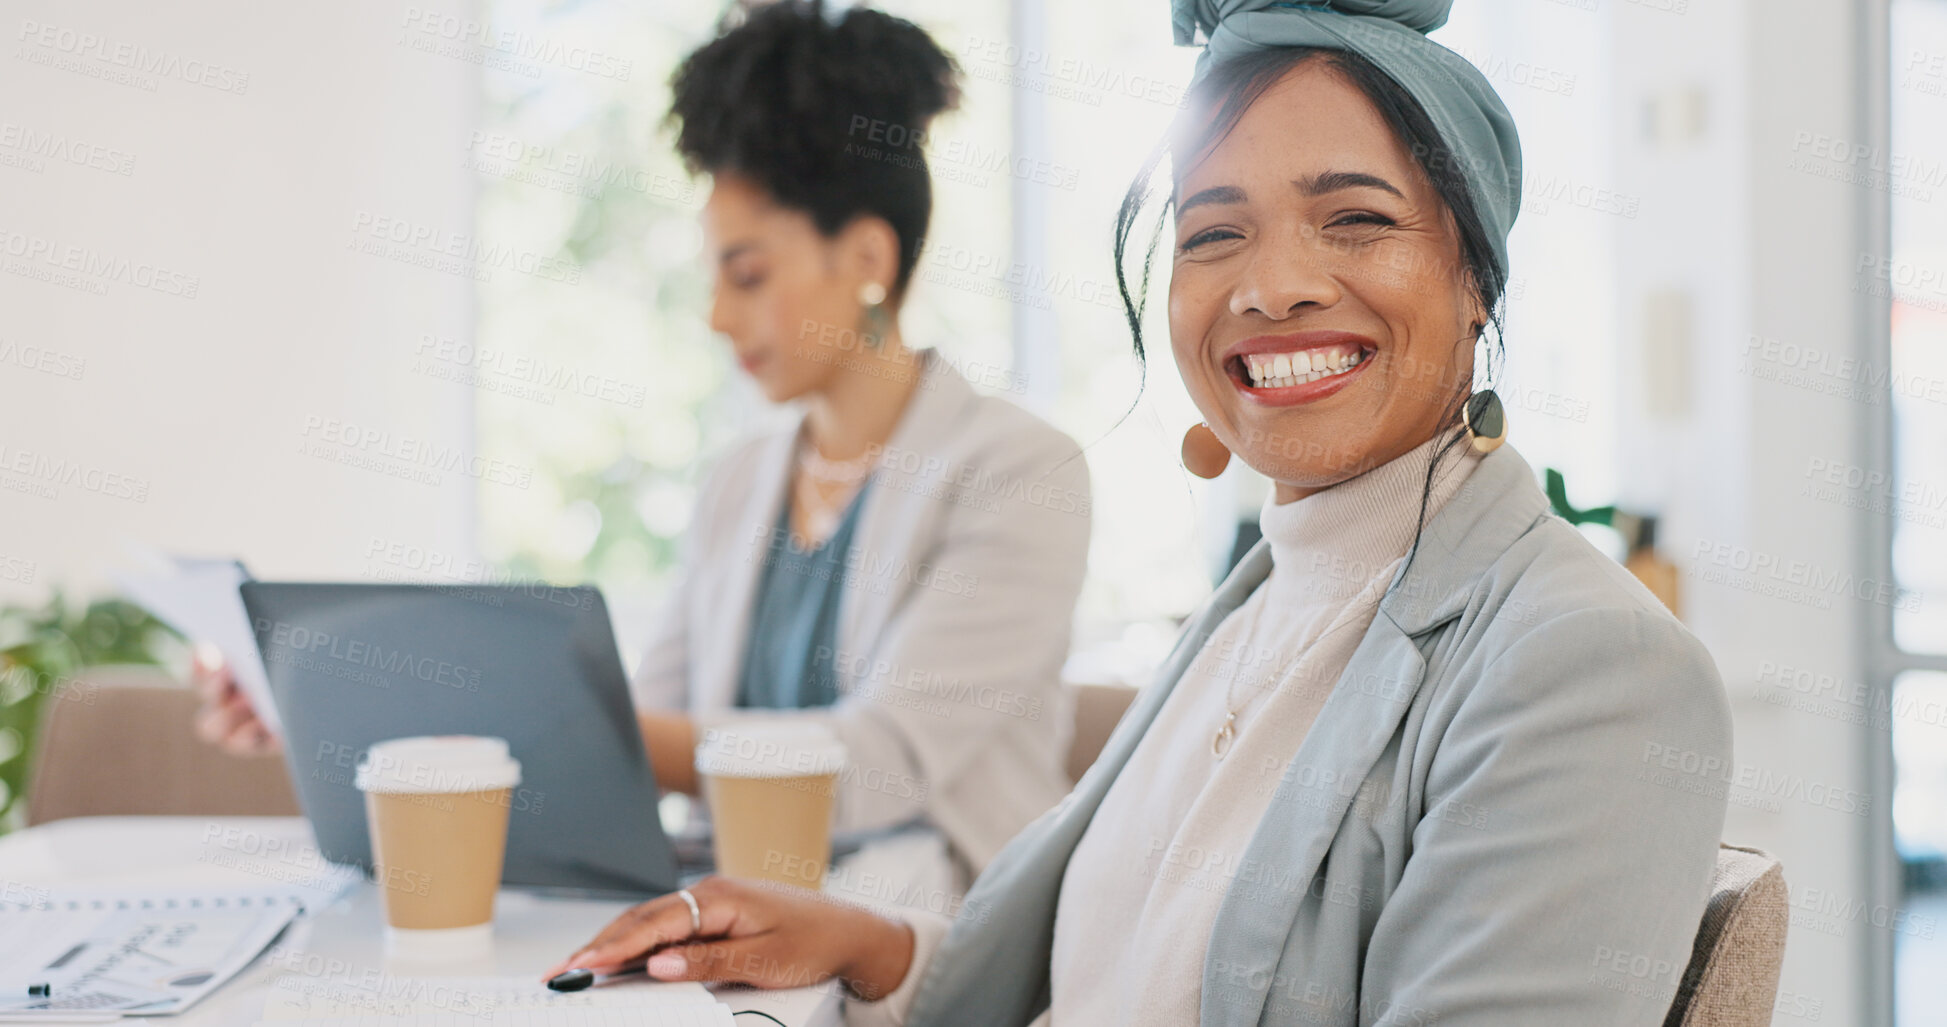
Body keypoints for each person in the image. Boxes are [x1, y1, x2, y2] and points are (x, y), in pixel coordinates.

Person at [540, 1, 1734, 1024]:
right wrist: (863, 944)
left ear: (1476, 278)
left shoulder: (1588, 669)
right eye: (1215, 233)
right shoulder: (1262, 601)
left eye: (1358, 218)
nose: (1271, 285)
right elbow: (1106, 978)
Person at [195, 0, 1092, 900]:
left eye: (747, 274)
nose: (715, 316)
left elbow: (873, 771)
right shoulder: (743, 482)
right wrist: (352, 706)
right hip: (742, 914)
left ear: (865, 256)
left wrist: (477, 703)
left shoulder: (1018, 472)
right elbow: (637, 737)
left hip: (935, 931)